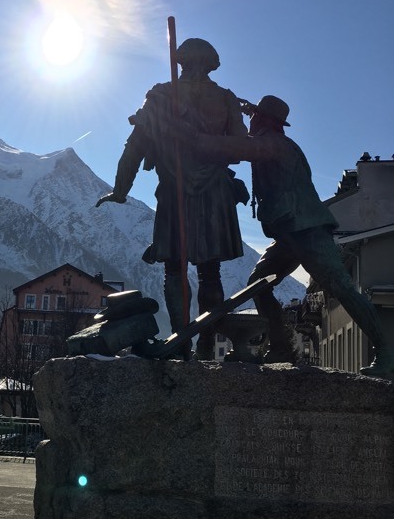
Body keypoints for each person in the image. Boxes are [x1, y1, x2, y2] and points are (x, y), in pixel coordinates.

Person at [195, 94, 394, 376]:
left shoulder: (274, 144)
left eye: (254, 117)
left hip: (306, 228)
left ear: (262, 119)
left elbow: (242, 148)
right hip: (289, 231)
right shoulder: (275, 140)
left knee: (341, 288)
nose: (251, 120)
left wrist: (205, 135)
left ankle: (386, 354)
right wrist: (248, 112)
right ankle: (281, 346)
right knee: (259, 285)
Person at [96, 38, 249, 357]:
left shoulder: (161, 96)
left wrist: (121, 190)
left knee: (175, 270)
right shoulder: (225, 99)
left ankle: (183, 343)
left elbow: (135, 146)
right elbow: (240, 147)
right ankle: (205, 343)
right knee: (210, 270)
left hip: (175, 190)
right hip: (213, 191)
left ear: (182, 62)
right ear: (211, 63)